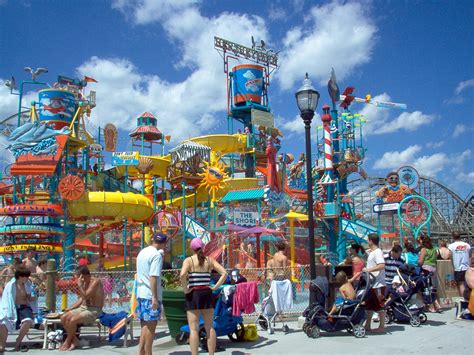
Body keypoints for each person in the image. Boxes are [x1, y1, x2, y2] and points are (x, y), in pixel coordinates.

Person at [180, 238, 227, 355]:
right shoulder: (209, 260)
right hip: (207, 293)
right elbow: (224, 273)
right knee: (210, 327)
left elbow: (182, 275)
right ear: (203, 248)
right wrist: (215, 287)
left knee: (193, 329)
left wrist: (186, 289)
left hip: (193, 294)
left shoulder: (189, 260)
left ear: (192, 248)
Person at [135, 232, 167, 355]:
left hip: (141, 292)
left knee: (144, 325)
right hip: (150, 294)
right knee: (151, 326)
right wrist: (154, 297)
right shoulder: (156, 256)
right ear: (164, 243)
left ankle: (141, 351)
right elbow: (153, 276)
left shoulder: (142, 252)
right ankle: (148, 352)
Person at [59, 266, 104, 351]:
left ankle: (68, 341)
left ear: (83, 276)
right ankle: (75, 340)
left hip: (94, 310)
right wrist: (69, 308)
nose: (77, 280)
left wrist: (80, 285)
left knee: (72, 320)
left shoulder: (95, 282)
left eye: (78, 277)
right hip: (84, 308)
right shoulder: (84, 282)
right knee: (63, 317)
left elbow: (86, 296)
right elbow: (81, 299)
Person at [0, 266, 35, 352]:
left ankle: (18, 342)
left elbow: (30, 299)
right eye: (26, 276)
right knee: (3, 323)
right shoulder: (10, 285)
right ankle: (2, 345)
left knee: (28, 321)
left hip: (24, 307)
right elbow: (5, 299)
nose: (27, 278)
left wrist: (36, 295)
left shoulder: (28, 285)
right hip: (12, 308)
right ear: (20, 276)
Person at [362, 233, 386, 333]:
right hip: (372, 284)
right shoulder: (372, 252)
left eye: (368, 240)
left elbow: (381, 265)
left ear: (371, 241)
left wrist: (368, 270)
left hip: (378, 284)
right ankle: (367, 325)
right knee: (370, 304)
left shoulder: (378, 252)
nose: (367, 242)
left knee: (380, 305)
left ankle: (382, 327)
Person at [418, 235, 442, 312]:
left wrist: (417, 263)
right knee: (433, 288)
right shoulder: (434, 250)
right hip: (433, 269)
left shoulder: (424, 250)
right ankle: (438, 304)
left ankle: (430, 306)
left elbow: (421, 262)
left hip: (425, 270)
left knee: (426, 288)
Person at [448, 232, 471, 298]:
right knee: (468, 284)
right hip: (467, 267)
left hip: (458, 267)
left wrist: (452, 264)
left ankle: (464, 300)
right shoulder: (467, 245)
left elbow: (449, 255)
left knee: (461, 284)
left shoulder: (451, 246)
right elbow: (470, 255)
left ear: (453, 237)